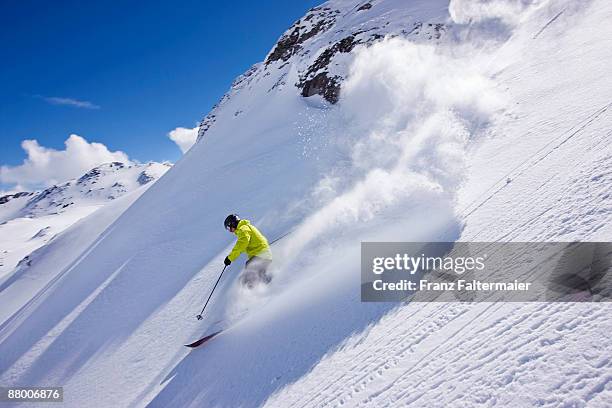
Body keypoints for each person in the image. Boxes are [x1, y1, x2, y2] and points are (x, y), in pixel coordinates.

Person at [224, 214, 272, 288]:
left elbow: (242, 244)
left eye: (228, 228)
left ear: (232, 223)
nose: (230, 231)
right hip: (263, 255)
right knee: (259, 275)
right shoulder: (245, 228)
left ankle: (251, 292)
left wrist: (230, 258)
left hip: (260, 255)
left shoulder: (243, 229)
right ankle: (271, 285)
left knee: (249, 272)